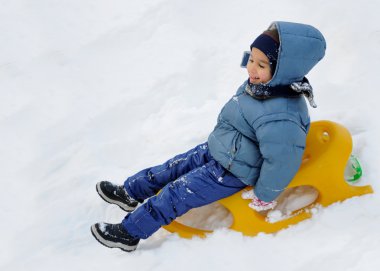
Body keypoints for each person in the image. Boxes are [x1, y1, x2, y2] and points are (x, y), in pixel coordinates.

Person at [91, 21, 326, 252]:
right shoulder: (262, 85)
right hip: (219, 149)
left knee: (178, 193)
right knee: (171, 168)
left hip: (234, 171)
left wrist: (265, 194)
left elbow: (282, 160)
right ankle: (130, 192)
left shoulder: (283, 116)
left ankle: (129, 233)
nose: (251, 69)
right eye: (251, 59)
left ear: (283, 70)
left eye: (261, 64)